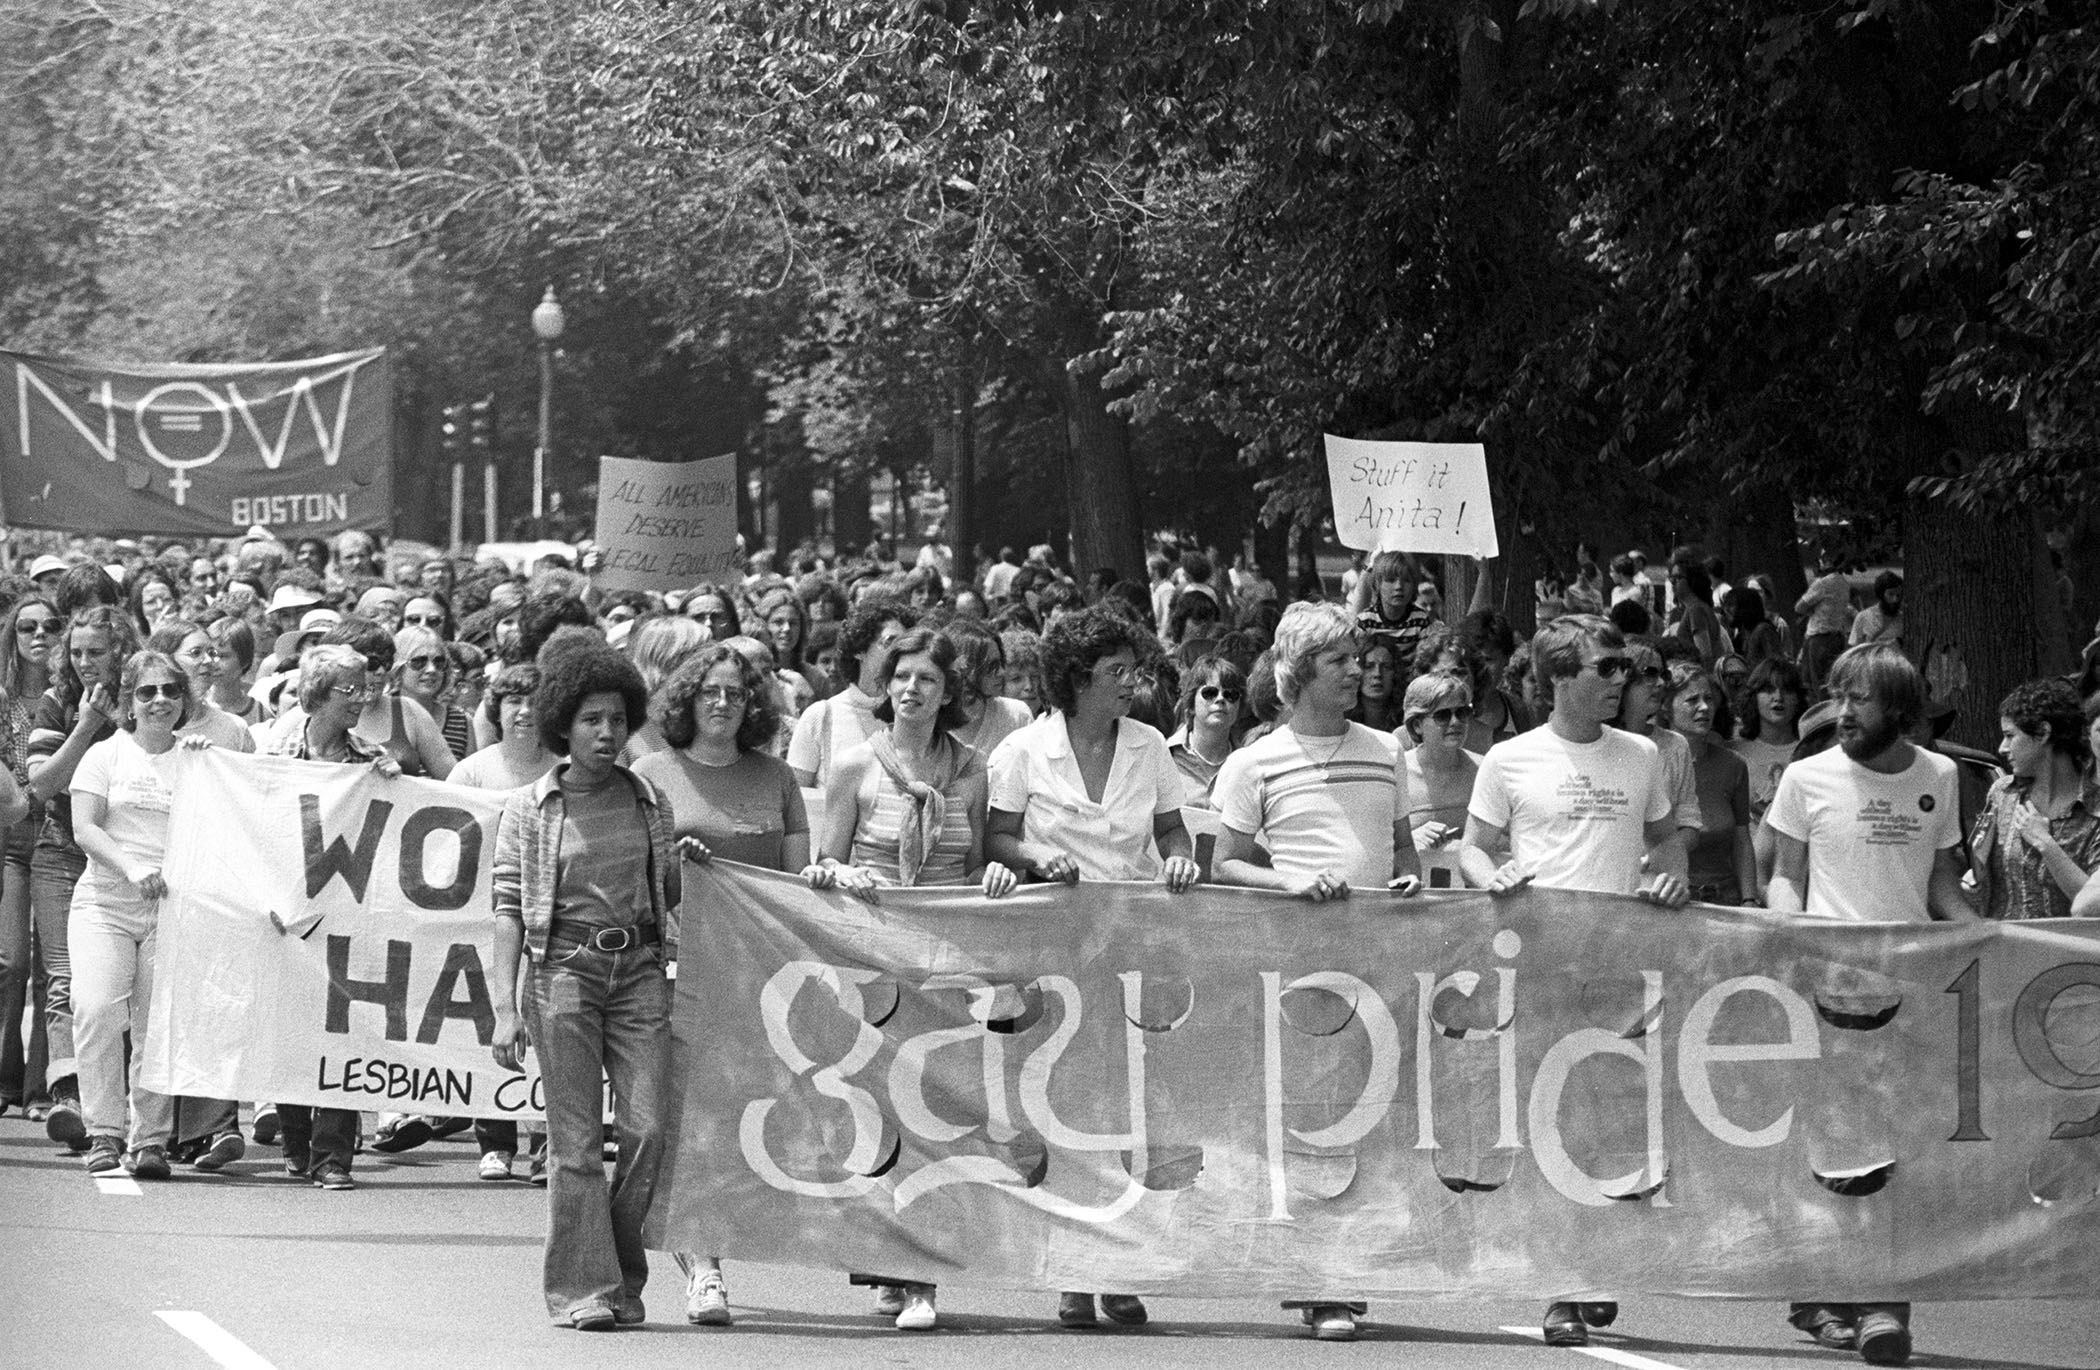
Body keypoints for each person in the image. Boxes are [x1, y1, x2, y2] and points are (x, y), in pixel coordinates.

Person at [1457, 613, 1687, 1351]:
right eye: (1606, 668)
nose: (1622, 680)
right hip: (1539, 966)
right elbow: (1472, 848)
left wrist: (1672, 878)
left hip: (1622, 967)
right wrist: (1491, 875)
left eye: (1625, 669)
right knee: (1549, 1123)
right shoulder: (1510, 758)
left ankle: (1593, 1265)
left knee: (1610, 1124)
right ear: (1559, 677)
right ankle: (1562, 1284)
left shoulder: (1643, 755)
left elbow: (1664, 840)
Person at [1211, 601, 1419, 1343]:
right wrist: (1287, 884)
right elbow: (1224, 863)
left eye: (1358, 659)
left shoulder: (1386, 749)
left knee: (1366, 1118)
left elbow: (1404, 850)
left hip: (1376, 965)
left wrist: (1408, 884)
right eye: (1340, 661)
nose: (1358, 671)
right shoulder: (1253, 761)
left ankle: (1346, 1274)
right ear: (1296, 676)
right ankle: (1315, 1281)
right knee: (1307, 1118)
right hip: (1293, 970)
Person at [803, 626, 1018, 1332]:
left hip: (945, 966)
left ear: (949, 690)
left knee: (936, 1120)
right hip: (873, 964)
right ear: (884, 687)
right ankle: (886, 1265)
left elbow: (980, 857)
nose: (912, 689)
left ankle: (923, 1277)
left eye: (927, 678)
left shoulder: (974, 768)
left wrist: (995, 872)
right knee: (878, 1120)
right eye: (901, 677)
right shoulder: (852, 767)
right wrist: (843, 872)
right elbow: (819, 866)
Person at [1764, 644, 1970, 1363]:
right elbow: (1784, 877)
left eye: (1862, 700)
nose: (1844, 713)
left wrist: (1985, 937)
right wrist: (1791, 927)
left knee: (1899, 1152)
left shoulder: (1940, 776)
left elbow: (1941, 883)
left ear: (1902, 710)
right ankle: (1831, 1290)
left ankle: (1885, 1305)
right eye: (1838, 696)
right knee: (1833, 1152)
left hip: (1910, 992)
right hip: (1826, 992)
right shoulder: (1806, 777)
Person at [491, 637, 678, 1331]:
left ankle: (621, 1274)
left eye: (618, 719)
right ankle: (584, 1291)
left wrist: (686, 861)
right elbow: (507, 909)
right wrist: (503, 1010)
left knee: (649, 1128)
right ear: (562, 725)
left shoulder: (647, 798)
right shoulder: (527, 809)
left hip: (638, 974)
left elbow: (673, 892)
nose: (607, 733)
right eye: (592, 719)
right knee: (573, 1146)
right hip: (561, 975)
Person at [634, 644, 811, 1327]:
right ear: (685, 700)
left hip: (763, 982)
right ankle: (703, 1268)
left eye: (737, 693)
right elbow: (634, 880)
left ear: (754, 705)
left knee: (751, 1126)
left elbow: (796, 886)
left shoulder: (777, 778)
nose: (723, 703)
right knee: (687, 1127)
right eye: (709, 691)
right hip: (678, 974)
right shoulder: (651, 774)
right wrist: (677, 869)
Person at [255, 645, 406, 1189]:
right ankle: (298, 1139)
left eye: (365, 688)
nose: (362, 699)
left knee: (343, 1031)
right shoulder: (272, 750)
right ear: (317, 696)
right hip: (285, 913)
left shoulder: (372, 758)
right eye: (349, 690)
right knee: (293, 1033)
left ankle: (334, 1154)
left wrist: (397, 784)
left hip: (349, 916)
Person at [65, 650, 207, 1178]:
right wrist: (130, 869)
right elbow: (85, 828)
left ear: (184, 698)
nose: (160, 701)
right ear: (129, 700)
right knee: (97, 1008)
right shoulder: (105, 755)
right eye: (147, 692)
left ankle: (148, 1139)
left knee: (155, 1025)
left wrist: (207, 762)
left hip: (172, 910)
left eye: (170, 690)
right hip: (106, 901)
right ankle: (102, 1130)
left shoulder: (198, 759)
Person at [25, 606, 141, 1152]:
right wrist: (87, 726)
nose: (85, 663)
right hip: (63, 852)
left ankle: (128, 1102)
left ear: (120, 651)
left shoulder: (148, 694)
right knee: (66, 979)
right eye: (76, 653)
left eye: (96, 652)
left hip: (132, 858)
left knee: (124, 992)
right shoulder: (56, 703)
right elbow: (42, 785)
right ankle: (70, 1097)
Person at [1968, 678, 2100, 920]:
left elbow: (2092, 907)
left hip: (2068, 955)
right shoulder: (2002, 794)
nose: (2002, 748)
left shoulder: (2095, 810)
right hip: (2004, 950)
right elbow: (1980, 878)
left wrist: (2045, 843)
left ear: (2043, 733)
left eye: (2010, 736)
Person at [0, 594, 57, 1119]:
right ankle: (5, 1079)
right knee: (11, 962)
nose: (38, 635)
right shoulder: (1, 696)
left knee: (49, 968)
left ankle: (40, 1088)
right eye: (26, 627)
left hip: (58, 831)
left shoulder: (69, 695)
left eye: (49, 626)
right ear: (12, 637)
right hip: (9, 838)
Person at [786, 598, 916, 789]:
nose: (899, 653)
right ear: (859, 649)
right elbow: (796, 799)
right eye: (889, 642)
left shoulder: (915, 714)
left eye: (905, 645)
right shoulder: (820, 717)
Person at [1666, 663, 1757, 905]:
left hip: (1725, 898)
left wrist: (1749, 900)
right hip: (1672, 899)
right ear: (1667, 708)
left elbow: (1742, 839)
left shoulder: (1733, 765)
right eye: (1692, 700)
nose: (1704, 707)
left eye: (1709, 699)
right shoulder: (1652, 762)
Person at [1399, 672, 1482, 890]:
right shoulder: (1397, 773)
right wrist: (1409, 840)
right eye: (1443, 716)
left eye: (1462, 713)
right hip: (1414, 899)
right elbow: (1374, 844)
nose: (1455, 722)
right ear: (1417, 725)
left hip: (1470, 898)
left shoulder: (1484, 770)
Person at [1167, 654, 1244, 808]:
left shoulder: (1246, 763)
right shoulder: (1164, 755)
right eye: (1210, 693)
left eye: (1231, 695)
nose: (1220, 699)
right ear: (1190, 703)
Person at [393, 624, 475, 761]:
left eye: (439, 662)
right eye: (419, 661)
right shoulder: (381, 713)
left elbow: (469, 779)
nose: (431, 669)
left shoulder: (462, 721)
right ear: (398, 666)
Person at [1795, 553, 1855, 689]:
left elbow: (1799, 607)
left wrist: (1811, 611)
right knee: (1834, 683)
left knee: (1818, 684)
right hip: (1838, 637)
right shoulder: (1844, 583)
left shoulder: (1822, 583)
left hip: (1819, 639)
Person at [1348, 639, 1403, 732]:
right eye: (1368, 667)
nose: (1377, 674)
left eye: (1386, 667)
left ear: (1396, 673)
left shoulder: (1406, 721)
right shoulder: (1342, 719)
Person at [1847, 571, 1904, 649]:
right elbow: (1854, 648)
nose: (1895, 599)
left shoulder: (1903, 620)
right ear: (1881, 594)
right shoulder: (1863, 617)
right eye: (1891, 594)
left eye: (1898, 595)